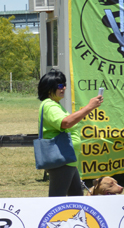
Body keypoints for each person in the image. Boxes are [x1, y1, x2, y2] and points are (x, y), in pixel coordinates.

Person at [37, 69, 103, 197]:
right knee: (57, 198)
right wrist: (89, 107)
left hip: (68, 159)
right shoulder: (50, 106)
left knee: (76, 195)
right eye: (60, 85)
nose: (64, 88)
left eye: (64, 85)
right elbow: (65, 123)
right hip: (62, 160)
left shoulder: (55, 104)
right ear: (49, 88)